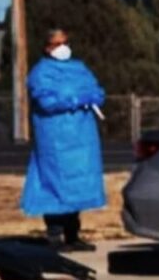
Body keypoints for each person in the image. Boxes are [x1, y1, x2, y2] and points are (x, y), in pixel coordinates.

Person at [21, 28, 105, 252]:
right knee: (56, 182)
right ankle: (55, 234)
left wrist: (95, 96)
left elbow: (96, 89)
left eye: (65, 42)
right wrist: (75, 100)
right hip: (56, 137)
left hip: (82, 136)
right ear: (48, 48)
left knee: (78, 183)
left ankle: (73, 233)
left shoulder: (79, 68)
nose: (63, 47)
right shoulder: (41, 72)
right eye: (58, 43)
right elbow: (47, 102)